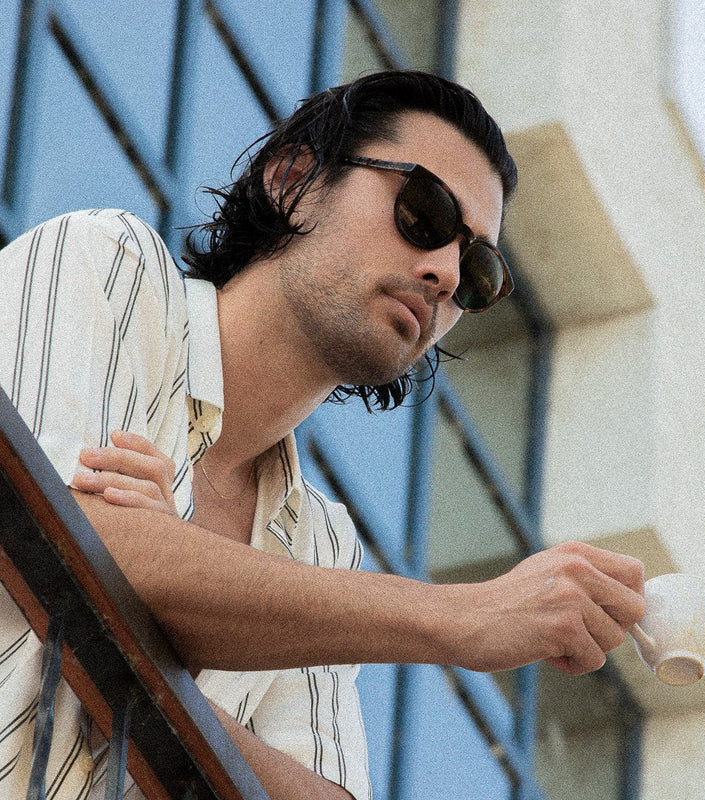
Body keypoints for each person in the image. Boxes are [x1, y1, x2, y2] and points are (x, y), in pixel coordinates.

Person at [0, 70, 645, 799]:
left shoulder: (319, 543)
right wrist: (464, 617)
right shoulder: (111, 268)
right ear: (293, 180)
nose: (443, 273)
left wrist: (161, 664)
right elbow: (64, 533)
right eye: (424, 211)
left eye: (478, 271)